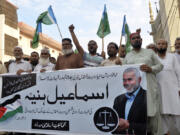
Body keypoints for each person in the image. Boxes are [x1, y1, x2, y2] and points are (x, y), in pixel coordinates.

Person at [123, 32, 163, 135]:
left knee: (153, 115)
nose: (136, 39)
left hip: (150, 88)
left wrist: (151, 68)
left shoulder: (149, 52)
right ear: (130, 42)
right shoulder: (128, 56)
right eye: (134, 38)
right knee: (139, 117)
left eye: (138, 38)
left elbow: (160, 66)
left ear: (141, 40)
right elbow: (123, 71)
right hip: (135, 91)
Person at [156, 39, 180, 135]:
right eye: (159, 43)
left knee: (177, 112)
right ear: (156, 45)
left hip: (173, 90)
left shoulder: (172, 57)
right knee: (162, 113)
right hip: (160, 91)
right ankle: (166, 132)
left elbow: (178, 72)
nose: (161, 45)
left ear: (167, 46)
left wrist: (179, 88)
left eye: (163, 44)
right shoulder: (153, 58)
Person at [113, 67, 147, 135]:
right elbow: (113, 126)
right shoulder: (118, 99)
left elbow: (152, 126)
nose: (126, 83)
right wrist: (117, 125)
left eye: (130, 79)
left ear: (139, 80)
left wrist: (129, 126)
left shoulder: (148, 97)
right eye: (124, 80)